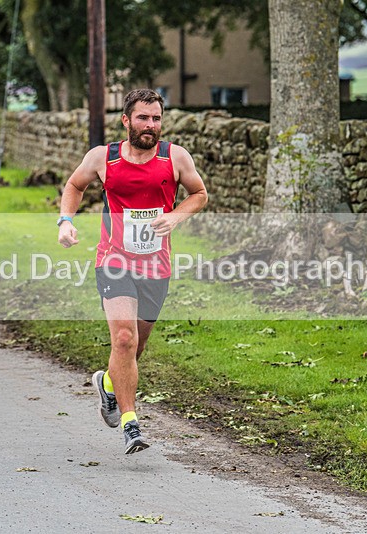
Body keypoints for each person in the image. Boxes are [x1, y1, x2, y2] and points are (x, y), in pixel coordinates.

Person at [58, 89, 208, 454]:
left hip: (156, 265)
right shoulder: (103, 157)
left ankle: (109, 384)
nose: (150, 125)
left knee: (135, 348)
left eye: (156, 118)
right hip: (114, 259)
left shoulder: (175, 157)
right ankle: (131, 424)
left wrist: (175, 215)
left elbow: (199, 194)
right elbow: (75, 185)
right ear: (126, 120)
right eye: (143, 118)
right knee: (123, 339)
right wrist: (65, 221)